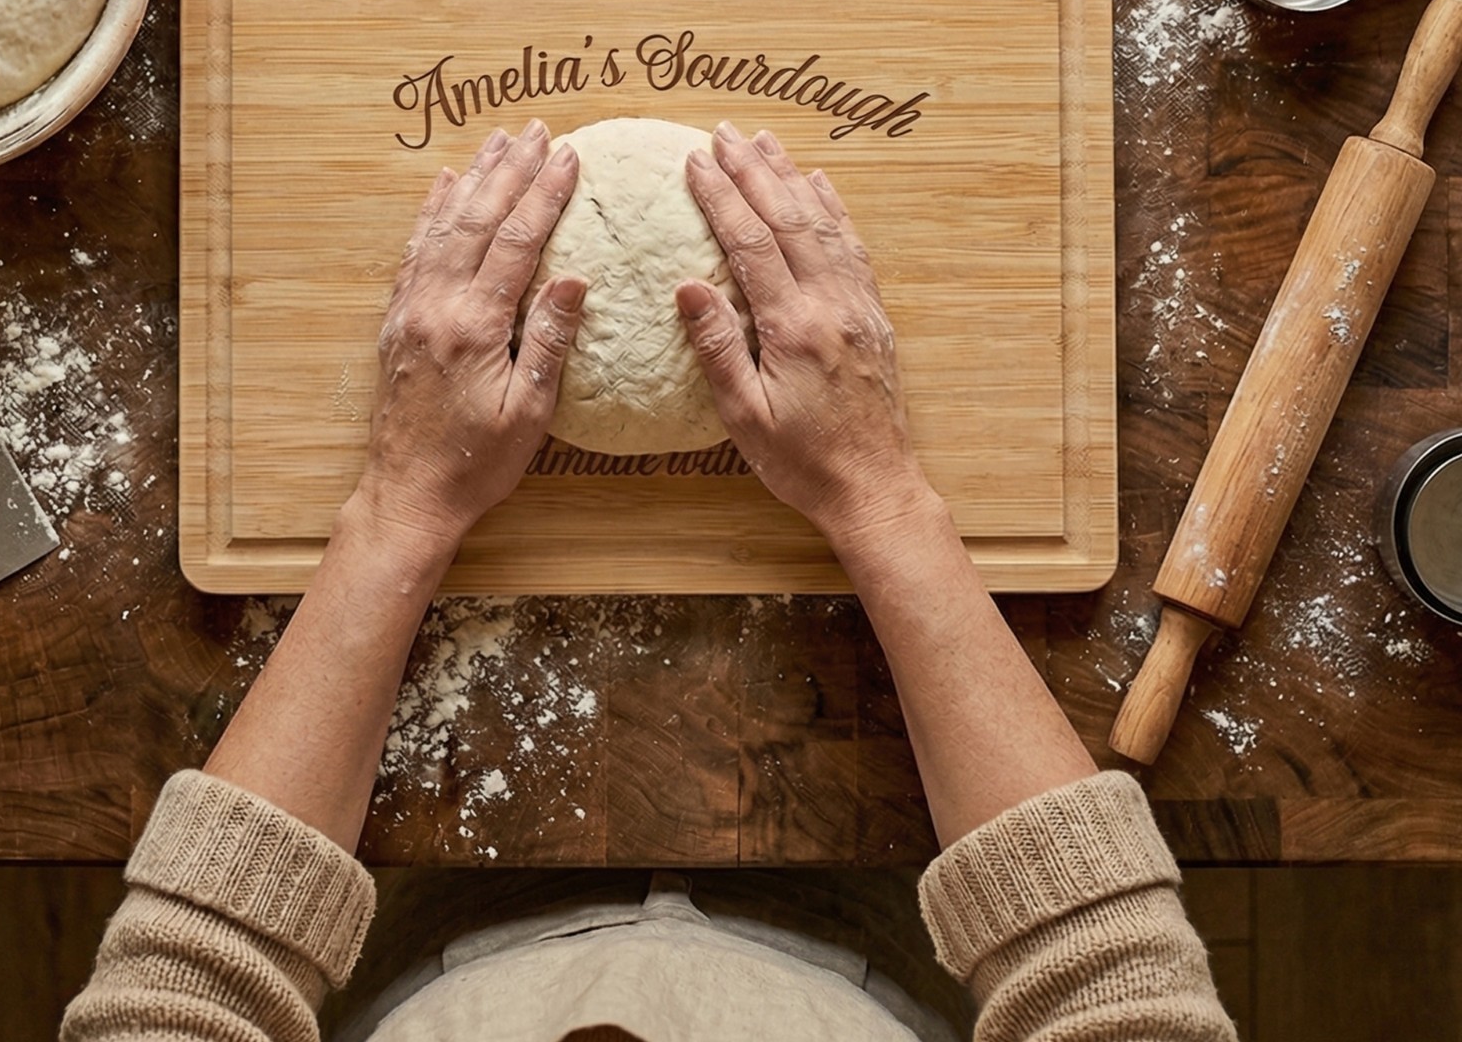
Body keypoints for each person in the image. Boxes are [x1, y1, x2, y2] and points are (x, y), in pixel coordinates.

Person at [61, 120, 1237, 1042]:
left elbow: (184, 1002)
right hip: (865, 953)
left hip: (434, 952)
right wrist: (874, 495)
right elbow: (1105, 990)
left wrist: (406, 506)